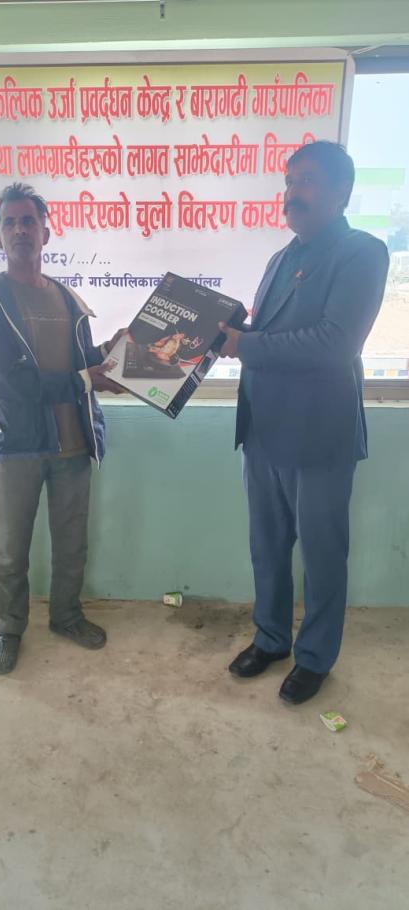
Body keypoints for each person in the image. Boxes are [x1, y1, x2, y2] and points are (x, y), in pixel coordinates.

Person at [218, 142, 389, 705]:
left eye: (307, 181)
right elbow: (269, 334)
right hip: (263, 430)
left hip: (318, 437)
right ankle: (270, 639)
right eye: (289, 181)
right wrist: (223, 329)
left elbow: (335, 342)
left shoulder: (361, 253)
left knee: (321, 555)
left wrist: (245, 345)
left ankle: (314, 657)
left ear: (342, 192)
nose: (292, 192)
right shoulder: (280, 258)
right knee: (266, 548)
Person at [0, 182, 126, 675]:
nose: (20, 230)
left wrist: (113, 351)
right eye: (10, 223)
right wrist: (87, 377)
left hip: (74, 442)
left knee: (72, 541)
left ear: (46, 232)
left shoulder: (68, 299)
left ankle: (66, 616)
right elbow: (9, 382)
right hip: (19, 443)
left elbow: (81, 362)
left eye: (29, 221)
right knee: (11, 548)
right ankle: (7, 629)